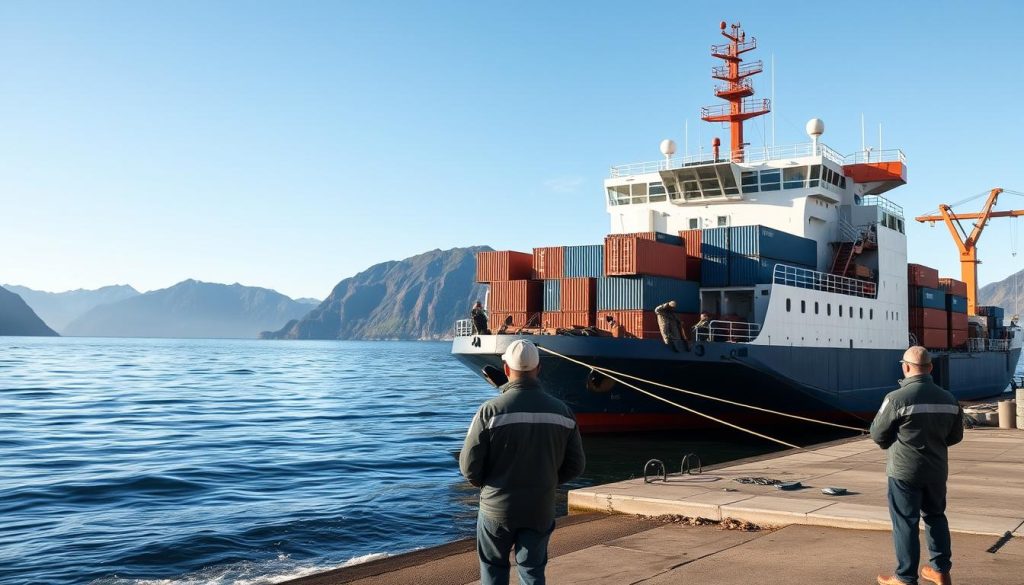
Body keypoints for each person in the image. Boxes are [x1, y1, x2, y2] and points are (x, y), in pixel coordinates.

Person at [459, 339, 586, 585]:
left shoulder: (489, 411)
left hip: (497, 508)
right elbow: (576, 465)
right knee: (532, 571)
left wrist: (491, 485)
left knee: (493, 569)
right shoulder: (563, 412)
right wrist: (547, 481)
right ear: (538, 369)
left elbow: (469, 468)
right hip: (540, 507)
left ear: (506, 369)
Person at [870, 346, 964, 585]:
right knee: (936, 517)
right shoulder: (949, 399)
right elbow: (955, 437)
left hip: (904, 472)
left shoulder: (896, 399)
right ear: (931, 368)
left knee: (905, 522)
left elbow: (878, 434)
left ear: (906, 367)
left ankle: (905, 577)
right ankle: (940, 570)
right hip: (936, 471)